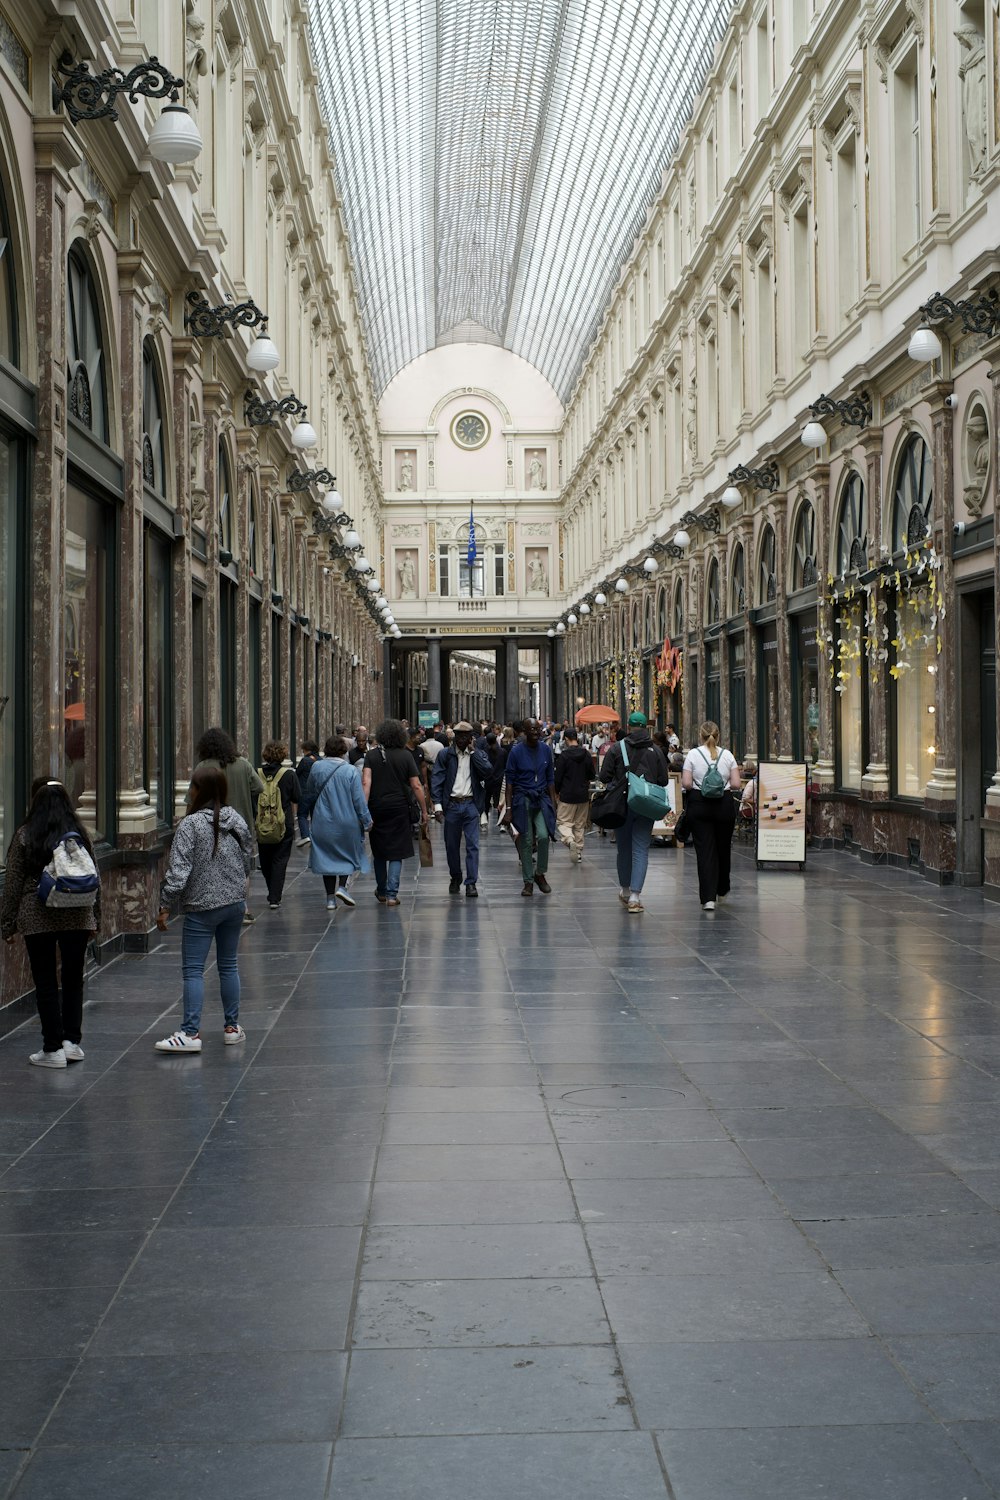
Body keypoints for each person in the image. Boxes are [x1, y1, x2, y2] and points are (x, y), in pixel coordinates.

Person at [1, 778, 101, 1067]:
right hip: (78, 913)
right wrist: (96, 918)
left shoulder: (24, 835)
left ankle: (52, 1048)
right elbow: (97, 879)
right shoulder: (79, 834)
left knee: (45, 982)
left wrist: (7, 924)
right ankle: (71, 1042)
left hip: (38, 914)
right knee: (73, 980)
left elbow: (13, 884)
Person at [153, 767, 253, 1053]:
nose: (189, 792)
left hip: (202, 906)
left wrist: (165, 904)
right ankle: (232, 1027)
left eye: (193, 787)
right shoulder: (236, 820)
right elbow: (247, 859)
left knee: (194, 971)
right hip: (234, 904)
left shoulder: (190, 825)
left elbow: (179, 870)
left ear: (201, 791)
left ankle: (190, 1032)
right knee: (228, 965)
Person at [599, 711, 670, 913]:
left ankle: (625, 889)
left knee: (624, 848)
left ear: (628, 727)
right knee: (640, 848)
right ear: (646, 728)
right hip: (645, 805)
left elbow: (604, 776)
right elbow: (663, 780)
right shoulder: (655, 750)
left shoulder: (616, 748)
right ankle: (635, 897)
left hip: (622, 804)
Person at [194, 727, 263, 925]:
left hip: (210, 824)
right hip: (240, 825)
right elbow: (259, 787)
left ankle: (217, 905)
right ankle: (243, 908)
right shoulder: (242, 764)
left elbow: (190, 798)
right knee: (242, 868)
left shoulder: (203, 767)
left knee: (213, 863)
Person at [299, 735, 371, 911]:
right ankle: (343, 887)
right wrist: (366, 820)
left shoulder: (316, 767)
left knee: (326, 857)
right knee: (347, 853)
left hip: (322, 820)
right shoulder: (351, 771)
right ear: (343, 751)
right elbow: (358, 800)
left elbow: (311, 788)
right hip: (347, 821)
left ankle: (330, 899)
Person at [363, 718, 428, 906]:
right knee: (396, 852)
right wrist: (424, 809)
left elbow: (366, 782)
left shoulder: (372, 755)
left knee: (379, 852)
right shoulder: (406, 756)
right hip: (400, 808)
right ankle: (392, 894)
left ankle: (381, 891)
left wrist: (363, 810)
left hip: (376, 808)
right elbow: (416, 785)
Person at [682, 719, 741, 911]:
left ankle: (708, 898)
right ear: (718, 735)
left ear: (701, 735)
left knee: (705, 851)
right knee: (723, 848)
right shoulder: (728, 755)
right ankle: (722, 889)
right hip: (724, 805)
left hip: (699, 805)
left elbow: (687, 783)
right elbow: (736, 784)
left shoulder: (692, 754)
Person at [431, 721, 492, 897]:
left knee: (473, 845)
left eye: (465, 736)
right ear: (454, 737)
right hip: (451, 805)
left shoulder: (477, 754)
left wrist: (474, 753)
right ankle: (455, 876)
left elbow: (488, 771)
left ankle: (471, 883)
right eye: (458, 736)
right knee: (451, 846)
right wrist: (438, 806)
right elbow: (437, 779)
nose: (461, 739)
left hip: (471, 804)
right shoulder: (445, 755)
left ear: (471, 738)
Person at [501, 717, 556, 896]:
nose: (535, 732)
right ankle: (528, 881)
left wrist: (553, 803)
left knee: (543, 835)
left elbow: (550, 779)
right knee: (525, 841)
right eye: (531, 729)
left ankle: (540, 873)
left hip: (541, 798)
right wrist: (508, 809)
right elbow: (509, 782)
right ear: (524, 732)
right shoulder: (516, 752)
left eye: (537, 729)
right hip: (522, 798)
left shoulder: (546, 750)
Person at [256, 740, 302, 909]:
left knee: (266, 859)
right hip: (284, 824)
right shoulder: (289, 774)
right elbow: (297, 797)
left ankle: (272, 890)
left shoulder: (257, 772)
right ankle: (274, 897)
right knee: (280, 859)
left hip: (263, 823)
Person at [554, 727, 595, 862]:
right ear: (576, 738)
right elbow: (592, 774)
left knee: (564, 822)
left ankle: (569, 840)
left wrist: (557, 791)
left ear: (566, 739)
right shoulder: (586, 754)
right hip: (583, 795)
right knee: (579, 824)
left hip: (567, 795)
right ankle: (578, 852)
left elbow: (558, 777)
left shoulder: (564, 756)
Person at [294, 740, 321, 846]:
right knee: (315, 815)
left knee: (302, 814)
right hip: (316, 792)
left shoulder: (305, 761)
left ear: (307, 750)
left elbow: (297, 773)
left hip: (305, 792)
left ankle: (305, 836)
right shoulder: (320, 760)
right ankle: (316, 836)